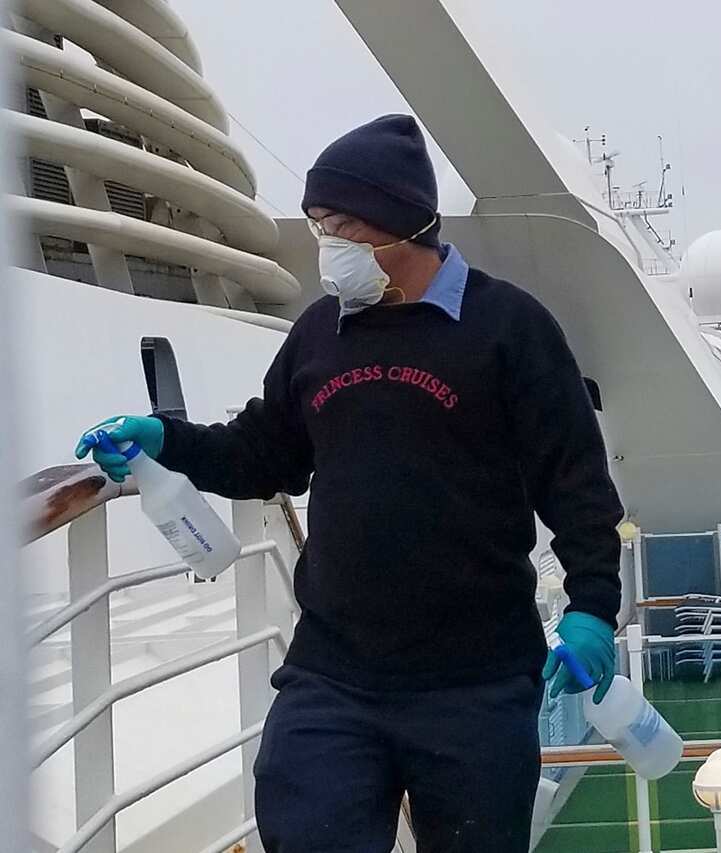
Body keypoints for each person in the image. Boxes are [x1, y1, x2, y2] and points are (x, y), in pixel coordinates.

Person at [75, 114, 624, 853]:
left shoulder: (510, 329)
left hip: (478, 682)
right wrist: (166, 440)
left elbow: (577, 480)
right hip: (335, 674)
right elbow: (262, 454)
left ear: (401, 226)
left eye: (339, 224)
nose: (324, 244)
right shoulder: (317, 334)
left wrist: (591, 606)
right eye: (316, 222)